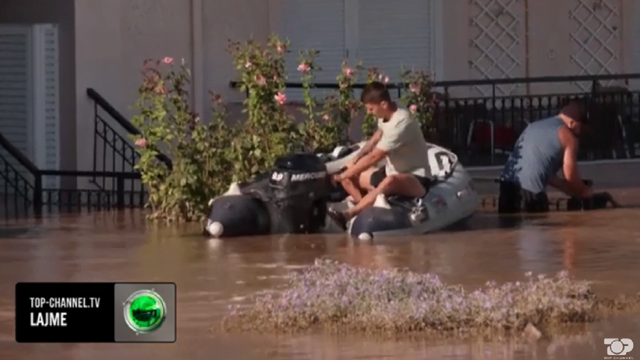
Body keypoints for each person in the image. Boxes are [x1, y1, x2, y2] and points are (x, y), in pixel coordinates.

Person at [326, 81, 433, 230]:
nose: (369, 113)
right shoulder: (385, 115)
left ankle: (348, 214)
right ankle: (367, 208)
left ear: (383, 104)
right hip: (389, 172)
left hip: (416, 178)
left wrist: (341, 176)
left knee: (390, 180)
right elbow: (377, 136)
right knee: (351, 177)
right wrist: (356, 158)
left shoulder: (401, 122)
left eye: (371, 109)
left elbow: (375, 156)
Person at [498, 99, 611, 213]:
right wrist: (584, 190)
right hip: (532, 193)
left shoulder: (533, 126)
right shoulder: (568, 137)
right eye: (581, 127)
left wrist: (569, 190)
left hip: (506, 188)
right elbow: (570, 176)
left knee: (507, 226)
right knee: (539, 227)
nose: (580, 133)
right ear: (572, 123)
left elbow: (543, 172)